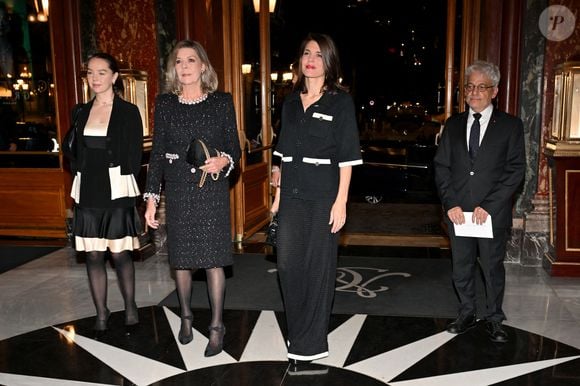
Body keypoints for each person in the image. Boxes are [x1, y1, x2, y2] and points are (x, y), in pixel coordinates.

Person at [271, 33, 362, 371]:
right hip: (292, 196)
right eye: (306, 52)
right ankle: (298, 337)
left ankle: (307, 350)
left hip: (323, 196)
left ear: (329, 63)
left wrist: (341, 203)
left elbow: (348, 158)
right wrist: (277, 197)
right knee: (287, 267)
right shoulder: (291, 102)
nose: (311, 59)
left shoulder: (340, 103)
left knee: (318, 271)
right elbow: (281, 155)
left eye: (319, 55)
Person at [143, 40, 240, 357]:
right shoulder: (165, 104)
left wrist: (223, 160)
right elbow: (157, 154)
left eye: (191, 60)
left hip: (210, 189)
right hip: (180, 189)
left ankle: (216, 326)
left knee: (213, 260)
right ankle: (186, 315)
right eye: (179, 61)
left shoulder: (221, 102)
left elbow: (234, 148)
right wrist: (151, 198)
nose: (184, 66)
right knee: (181, 260)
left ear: (203, 66)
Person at [433, 60, 525, 343]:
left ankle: (495, 318)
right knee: (461, 267)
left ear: (494, 91)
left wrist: (490, 205)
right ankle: (466, 312)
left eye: (481, 87)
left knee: (491, 267)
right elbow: (442, 166)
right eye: (469, 87)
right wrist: (450, 204)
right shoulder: (454, 124)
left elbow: (516, 170)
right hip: (459, 213)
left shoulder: (510, 126)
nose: (474, 92)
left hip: (490, 215)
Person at [68, 52, 143, 336]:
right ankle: (101, 311)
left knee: (121, 254)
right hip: (88, 188)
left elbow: (135, 155)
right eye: (90, 72)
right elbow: (75, 151)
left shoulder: (128, 111)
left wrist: (128, 188)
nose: (95, 78)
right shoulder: (80, 111)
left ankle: (130, 305)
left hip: (117, 189)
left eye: (101, 72)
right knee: (94, 256)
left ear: (114, 76)